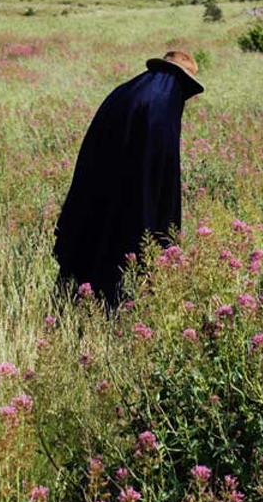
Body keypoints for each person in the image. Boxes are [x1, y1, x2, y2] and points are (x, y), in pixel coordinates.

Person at [53, 50, 204, 308]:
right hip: (133, 201)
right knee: (124, 256)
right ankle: (115, 313)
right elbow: (159, 175)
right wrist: (162, 227)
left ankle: (76, 305)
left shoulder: (123, 92)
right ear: (181, 81)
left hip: (98, 191)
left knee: (94, 240)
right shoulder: (163, 105)